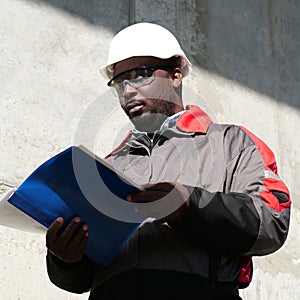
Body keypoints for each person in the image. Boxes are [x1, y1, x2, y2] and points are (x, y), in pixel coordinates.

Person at [45, 22, 291, 299]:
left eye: (140, 75)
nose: (127, 91)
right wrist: (65, 259)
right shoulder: (108, 166)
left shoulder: (233, 143)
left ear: (175, 75)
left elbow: (272, 221)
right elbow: (81, 279)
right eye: (119, 82)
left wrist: (190, 206)